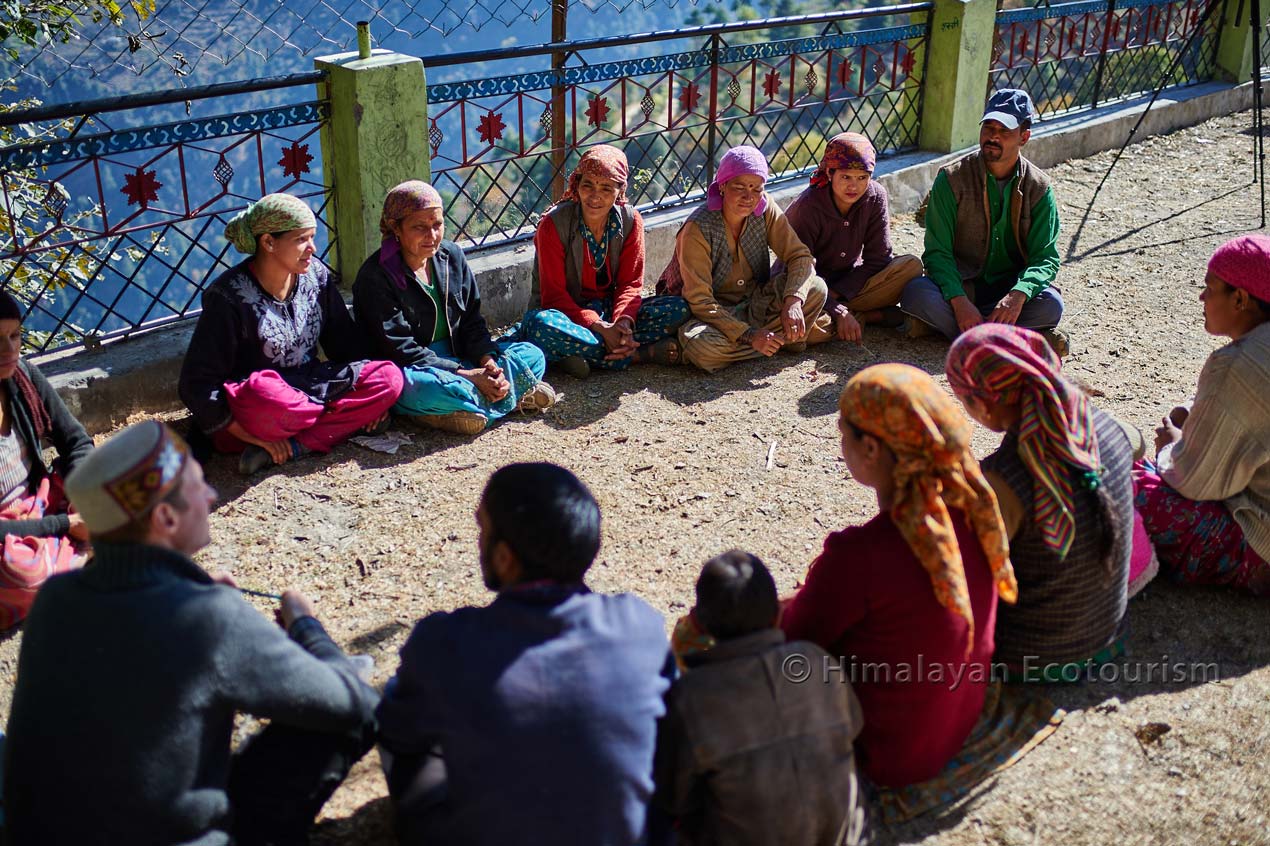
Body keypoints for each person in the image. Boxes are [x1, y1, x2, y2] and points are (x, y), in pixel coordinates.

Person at [3, 421, 377, 845]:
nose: (212, 495)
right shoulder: (210, 618)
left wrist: (204, 606)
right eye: (200, 485)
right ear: (165, 516)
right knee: (345, 718)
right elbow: (355, 705)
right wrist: (307, 629)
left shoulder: (56, 599)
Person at [377, 462, 674, 845]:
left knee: (397, 699)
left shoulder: (445, 643)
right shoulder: (640, 626)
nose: (479, 540)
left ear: (505, 557)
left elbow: (401, 732)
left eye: (481, 528)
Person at [781, 363, 1017, 788]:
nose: (840, 442)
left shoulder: (861, 555)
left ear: (871, 449)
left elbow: (795, 637)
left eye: (843, 430)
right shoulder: (975, 513)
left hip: (887, 756)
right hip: (957, 723)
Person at [946, 324, 1135, 680]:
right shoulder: (1104, 423)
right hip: (1108, 635)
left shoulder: (1002, 484)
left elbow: (965, 582)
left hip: (1036, 656)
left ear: (982, 404)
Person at [179, 193, 403, 475]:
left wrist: (374, 395)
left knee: (389, 377)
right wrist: (249, 434)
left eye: (312, 237)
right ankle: (337, 422)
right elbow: (196, 384)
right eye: (301, 239)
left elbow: (345, 343)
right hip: (258, 408)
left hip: (307, 389)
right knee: (266, 393)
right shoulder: (228, 297)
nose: (312, 248)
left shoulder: (316, 277)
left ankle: (296, 446)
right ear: (268, 242)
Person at [654, 550, 867, 846]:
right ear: (778, 615)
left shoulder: (690, 699)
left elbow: (672, 794)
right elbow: (853, 726)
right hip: (842, 837)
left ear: (700, 626)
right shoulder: (815, 661)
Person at [354, 181, 557, 435]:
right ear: (396, 227)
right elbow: (399, 349)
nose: (432, 236)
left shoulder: (451, 256)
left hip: (461, 356)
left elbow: (472, 321)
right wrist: (469, 374)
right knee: (421, 388)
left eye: (437, 225)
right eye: (419, 227)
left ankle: (472, 407)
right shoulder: (376, 276)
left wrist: (488, 362)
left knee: (531, 353)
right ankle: (509, 398)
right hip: (416, 368)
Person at [1134, 234, 1270, 595]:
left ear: (1240, 298)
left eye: (1210, 288)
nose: (1202, 297)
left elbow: (1193, 481)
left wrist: (1174, 446)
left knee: (1118, 484)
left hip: (1260, 548)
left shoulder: (1236, 363)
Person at [900, 90, 1065, 350]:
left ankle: (956, 333)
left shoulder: (1039, 187)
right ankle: (1013, 339)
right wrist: (958, 301)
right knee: (916, 293)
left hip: (1009, 292)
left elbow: (1045, 258)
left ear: (1024, 137)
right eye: (989, 127)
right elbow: (937, 253)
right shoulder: (952, 178)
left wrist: (1018, 295)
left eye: (1005, 130)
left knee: (1051, 305)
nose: (993, 136)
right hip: (962, 286)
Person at [657, 145, 833, 373]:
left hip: (755, 303)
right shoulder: (697, 228)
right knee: (703, 346)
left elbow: (800, 256)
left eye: (756, 189)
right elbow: (699, 300)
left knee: (816, 288)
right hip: (714, 316)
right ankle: (782, 340)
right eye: (739, 187)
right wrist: (749, 335)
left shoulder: (765, 208)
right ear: (722, 186)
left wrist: (793, 302)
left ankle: (770, 342)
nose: (748, 197)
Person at [521, 145, 691, 379]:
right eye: (588, 185)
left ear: (619, 191)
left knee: (678, 309)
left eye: (606, 188)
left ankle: (579, 354)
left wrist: (622, 324)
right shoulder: (554, 225)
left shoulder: (631, 221)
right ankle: (640, 354)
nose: (595, 196)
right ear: (577, 185)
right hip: (566, 313)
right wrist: (601, 328)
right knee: (540, 325)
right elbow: (553, 296)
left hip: (609, 310)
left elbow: (630, 284)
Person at [0, 291, 93, 629]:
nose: (10, 351)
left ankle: (69, 559)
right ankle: (81, 555)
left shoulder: (21, 375)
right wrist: (65, 525)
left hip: (38, 501)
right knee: (23, 575)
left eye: (15, 336)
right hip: (7, 533)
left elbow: (76, 441)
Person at [784, 132, 923, 341]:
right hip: (807, 288)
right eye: (846, 177)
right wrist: (835, 308)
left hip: (851, 283)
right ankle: (870, 316)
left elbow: (878, 259)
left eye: (862, 178)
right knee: (807, 332)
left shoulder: (875, 197)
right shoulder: (808, 206)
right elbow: (798, 269)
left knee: (911, 267)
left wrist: (836, 298)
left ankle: (854, 317)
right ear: (830, 173)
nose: (854, 186)